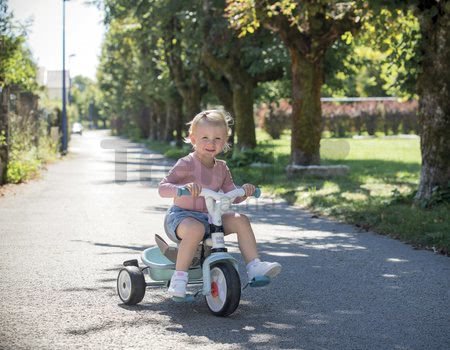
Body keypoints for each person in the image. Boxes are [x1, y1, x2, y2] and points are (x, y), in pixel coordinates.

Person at [158, 110, 281, 298]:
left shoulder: (222, 167)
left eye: (217, 138)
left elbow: (233, 195)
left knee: (241, 220)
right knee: (195, 229)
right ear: (193, 138)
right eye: (205, 137)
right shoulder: (186, 164)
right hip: (182, 217)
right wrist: (183, 187)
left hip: (211, 217)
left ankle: (254, 266)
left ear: (225, 142)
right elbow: (163, 188)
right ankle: (179, 278)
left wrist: (244, 191)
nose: (211, 143)